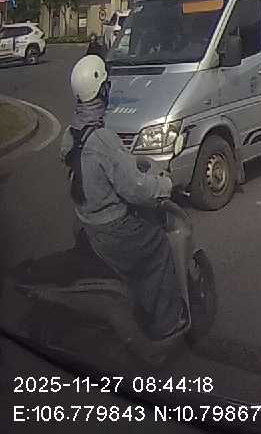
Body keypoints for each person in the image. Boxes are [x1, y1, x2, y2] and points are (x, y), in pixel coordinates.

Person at [59, 55, 185, 340]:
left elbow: (89, 167)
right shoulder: (103, 139)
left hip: (86, 222)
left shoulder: (72, 133)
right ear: (102, 91)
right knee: (158, 246)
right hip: (114, 228)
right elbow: (136, 189)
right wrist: (164, 185)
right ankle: (166, 324)